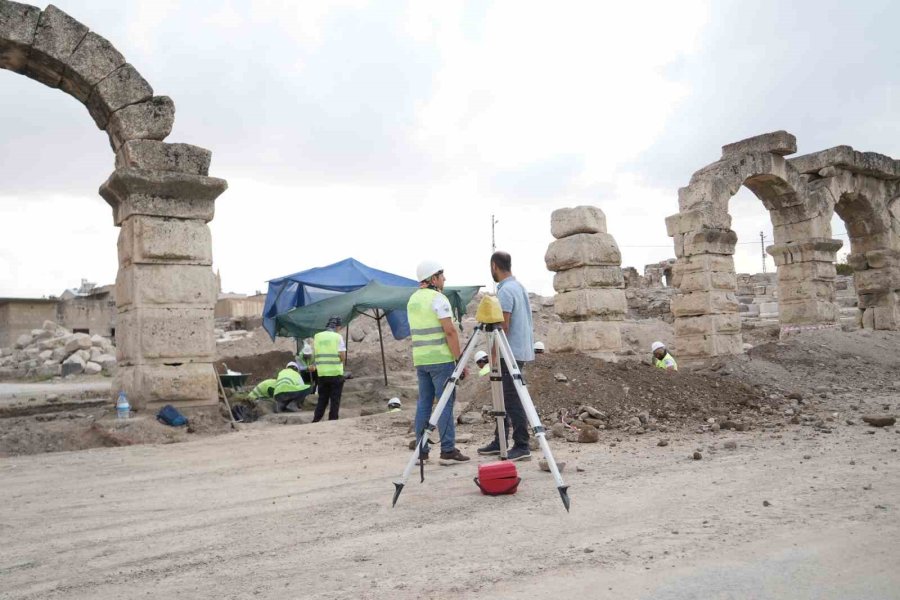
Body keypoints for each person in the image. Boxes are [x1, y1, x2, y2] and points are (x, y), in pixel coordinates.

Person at [407, 260, 470, 465]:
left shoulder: (413, 300)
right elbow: (450, 331)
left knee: (424, 403)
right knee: (444, 404)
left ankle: (421, 452)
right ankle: (448, 450)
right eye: (442, 275)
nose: (444, 279)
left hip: (421, 360)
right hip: (441, 360)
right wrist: (459, 359)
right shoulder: (438, 299)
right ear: (433, 278)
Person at [478, 251, 534, 461]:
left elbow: (503, 326)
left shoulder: (506, 292)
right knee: (503, 397)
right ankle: (499, 441)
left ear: (494, 266)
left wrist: (493, 355)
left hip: (508, 352)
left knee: (511, 398)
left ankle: (521, 444)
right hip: (518, 351)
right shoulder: (518, 287)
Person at [312, 316, 346, 422]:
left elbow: (314, 354)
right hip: (336, 373)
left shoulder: (317, 337)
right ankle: (333, 420)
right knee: (335, 399)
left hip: (322, 374)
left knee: (322, 399)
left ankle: (316, 420)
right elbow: (342, 356)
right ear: (337, 326)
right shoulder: (337, 337)